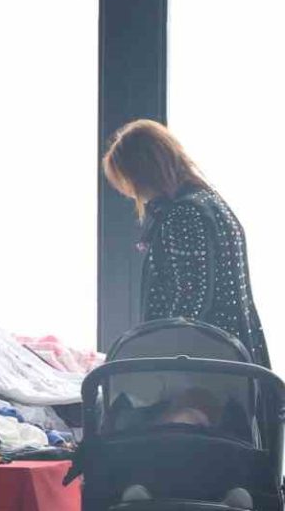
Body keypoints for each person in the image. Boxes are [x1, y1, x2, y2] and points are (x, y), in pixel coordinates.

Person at [103, 119, 270, 368]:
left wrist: (155, 359)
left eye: (129, 181)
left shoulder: (185, 214)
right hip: (228, 355)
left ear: (144, 173)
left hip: (202, 363)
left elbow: (190, 303)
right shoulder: (209, 202)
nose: (132, 192)